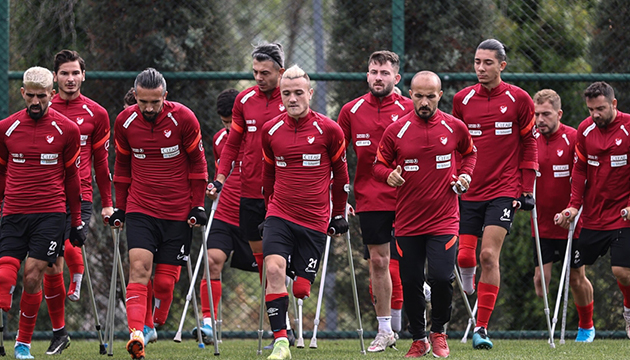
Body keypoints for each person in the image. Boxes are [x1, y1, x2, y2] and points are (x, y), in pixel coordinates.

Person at [374, 71, 476, 358]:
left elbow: (470, 154)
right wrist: (388, 176)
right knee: (410, 282)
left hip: (444, 219)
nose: (424, 102)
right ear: (410, 95)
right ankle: (419, 338)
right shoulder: (396, 130)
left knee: (442, 278)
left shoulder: (455, 126)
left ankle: (439, 332)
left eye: (430, 96)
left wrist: (465, 176)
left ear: (440, 95)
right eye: (418, 96)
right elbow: (379, 164)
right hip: (407, 221)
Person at [110, 68, 208, 359]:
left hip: (178, 210)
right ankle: (137, 333)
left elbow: (198, 164)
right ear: (135, 97)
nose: (149, 108)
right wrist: (122, 206)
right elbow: (123, 167)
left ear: (165, 96)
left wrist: (198, 204)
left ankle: (156, 321)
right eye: (143, 102)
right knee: (139, 269)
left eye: (155, 102)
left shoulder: (184, 118)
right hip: (141, 208)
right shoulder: (125, 122)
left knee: (165, 284)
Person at [258, 64, 349, 360]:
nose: (292, 98)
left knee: (300, 290)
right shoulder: (270, 131)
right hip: (279, 213)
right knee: (272, 270)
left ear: (310, 93)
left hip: (315, 220)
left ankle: (302, 280)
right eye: (286, 93)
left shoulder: (330, 131)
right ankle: (281, 342)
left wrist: (338, 215)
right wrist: (267, 209)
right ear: (279, 96)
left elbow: (342, 177)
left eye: (298, 92)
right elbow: (268, 176)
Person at [453, 38, 537, 349]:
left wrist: (526, 188)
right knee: (464, 256)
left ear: (502, 65)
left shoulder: (519, 99)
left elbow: (529, 144)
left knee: (488, 255)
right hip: (469, 189)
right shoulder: (462, 99)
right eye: (477, 62)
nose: (481, 68)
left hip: (505, 188)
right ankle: (469, 285)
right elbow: (456, 146)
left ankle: (482, 328)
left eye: (488, 63)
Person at [0, 67, 84, 360]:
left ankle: (23, 344)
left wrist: (76, 221)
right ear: (23, 93)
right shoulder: (6, 128)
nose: (36, 102)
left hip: (51, 213)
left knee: (33, 275)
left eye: (42, 96)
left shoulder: (67, 130)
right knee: (5, 274)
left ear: (52, 94)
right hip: (13, 211)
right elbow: (0, 172)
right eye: (31, 96)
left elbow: (73, 178)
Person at [337, 50, 412, 351]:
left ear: (397, 78)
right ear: (367, 75)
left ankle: (420, 323)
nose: (378, 78)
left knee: (411, 261)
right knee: (379, 262)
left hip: (410, 198)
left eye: (384, 73)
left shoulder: (410, 108)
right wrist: (338, 197)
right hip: (370, 199)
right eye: (373, 72)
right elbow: (337, 158)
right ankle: (385, 330)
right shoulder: (350, 111)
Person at [40, 50, 113, 355]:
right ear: (55, 78)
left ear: (84, 75)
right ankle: (60, 333)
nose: (70, 79)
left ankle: (79, 275)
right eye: (64, 74)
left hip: (80, 195)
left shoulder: (96, 113)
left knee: (71, 242)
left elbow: (102, 164)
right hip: (46, 195)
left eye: (75, 73)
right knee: (48, 265)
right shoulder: (42, 108)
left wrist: (108, 202)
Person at [556, 81, 630, 341]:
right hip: (592, 216)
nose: (595, 114)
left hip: (623, 214)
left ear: (614, 104)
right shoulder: (585, 130)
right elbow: (579, 170)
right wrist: (574, 205)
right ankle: (586, 327)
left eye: (600, 108)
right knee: (575, 271)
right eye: (590, 110)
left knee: (622, 271)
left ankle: (628, 310)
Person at [208, 44, 286, 280]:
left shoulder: (291, 98)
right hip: (250, 193)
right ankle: (272, 310)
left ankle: (283, 309)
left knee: (277, 265)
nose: (258, 78)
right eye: (255, 72)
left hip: (282, 193)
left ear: (280, 72)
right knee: (264, 266)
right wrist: (219, 180)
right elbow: (232, 144)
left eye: (265, 73)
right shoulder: (244, 100)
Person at [190, 88, 259, 344]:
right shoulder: (220, 139)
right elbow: (221, 171)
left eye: (233, 121)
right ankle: (208, 324)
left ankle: (282, 326)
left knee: (272, 270)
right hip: (225, 212)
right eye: (225, 122)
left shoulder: (259, 137)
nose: (229, 127)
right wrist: (212, 188)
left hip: (255, 212)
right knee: (212, 260)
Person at [530, 89, 594, 342]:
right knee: (540, 284)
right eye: (536, 114)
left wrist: (572, 209)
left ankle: (586, 327)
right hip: (542, 222)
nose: (540, 120)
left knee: (576, 278)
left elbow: (583, 177)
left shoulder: (573, 138)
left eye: (546, 114)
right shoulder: (530, 138)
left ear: (559, 113)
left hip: (572, 222)